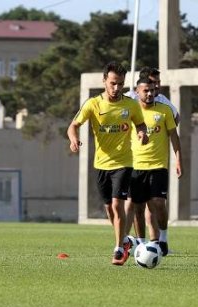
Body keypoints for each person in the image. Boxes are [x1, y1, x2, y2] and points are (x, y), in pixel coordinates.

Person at [67, 61, 149, 266]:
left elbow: (140, 123)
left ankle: (119, 248)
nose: (117, 88)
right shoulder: (93, 104)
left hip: (123, 162)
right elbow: (73, 125)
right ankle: (125, 240)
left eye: (120, 84)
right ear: (104, 81)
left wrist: (141, 132)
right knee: (109, 210)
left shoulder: (130, 105)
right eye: (113, 83)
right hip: (101, 164)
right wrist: (73, 139)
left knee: (116, 204)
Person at [124, 67, 179, 249]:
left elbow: (175, 124)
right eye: (149, 87)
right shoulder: (129, 103)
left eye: (155, 86)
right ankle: (141, 243)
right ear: (139, 89)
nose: (154, 89)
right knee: (136, 205)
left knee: (156, 203)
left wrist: (178, 159)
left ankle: (160, 239)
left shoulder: (163, 104)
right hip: (135, 164)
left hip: (158, 164)